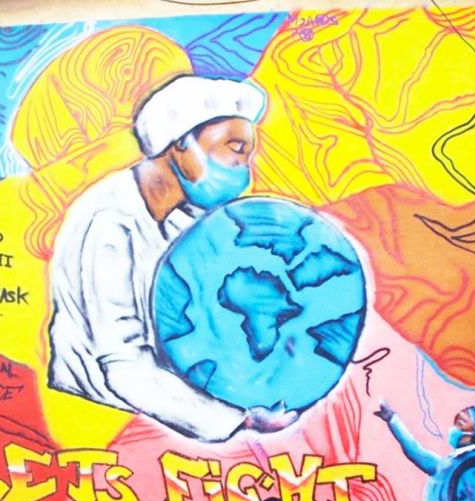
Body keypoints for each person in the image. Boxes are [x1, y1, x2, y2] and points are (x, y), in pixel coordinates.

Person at [47, 74, 297, 442]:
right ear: (181, 141)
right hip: (99, 426)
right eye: (235, 147)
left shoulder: (185, 221)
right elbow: (124, 366)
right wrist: (238, 419)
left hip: (160, 421)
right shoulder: (111, 225)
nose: (243, 167)